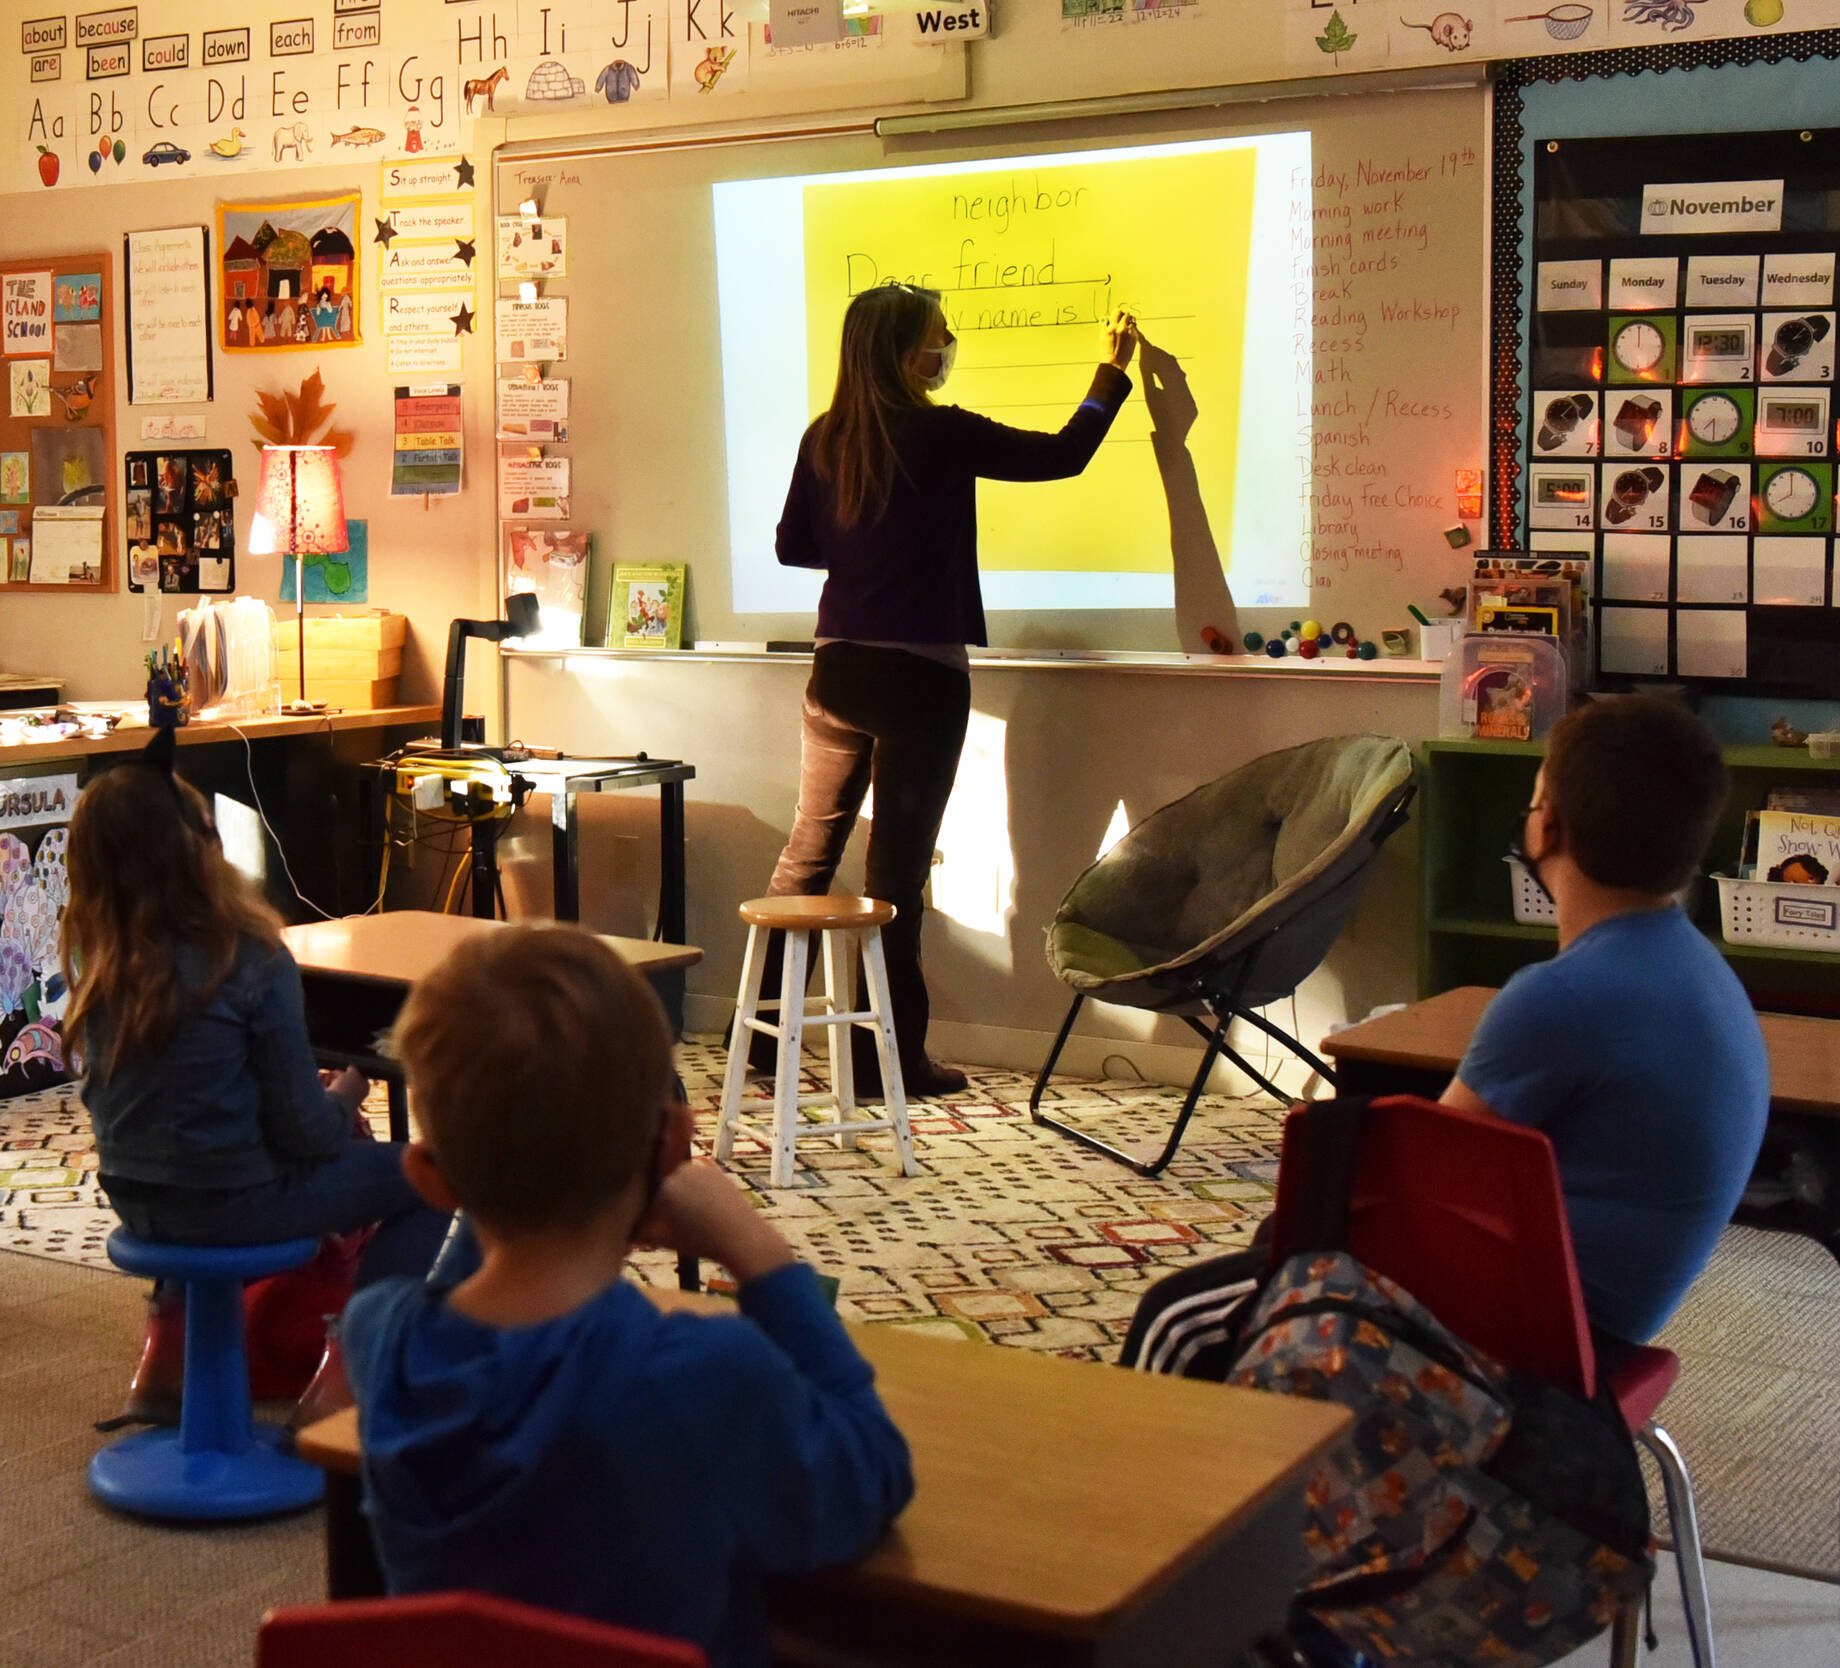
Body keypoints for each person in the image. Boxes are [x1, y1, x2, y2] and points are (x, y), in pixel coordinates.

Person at [343, 926, 912, 1664]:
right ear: (676, 1140)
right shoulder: (702, 1371)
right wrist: (762, 1256)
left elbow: (461, 1293)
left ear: (430, 1178)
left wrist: (486, 1182)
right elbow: (872, 1478)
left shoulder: (378, 1334)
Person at [765, 283, 1139, 1096]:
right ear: (907, 355)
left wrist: (864, 544)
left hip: (836, 673)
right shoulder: (939, 432)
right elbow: (1062, 456)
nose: (948, 346)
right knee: (893, 882)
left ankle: (758, 1044)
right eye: (940, 336)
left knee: (806, 857)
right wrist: (1108, 381)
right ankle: (882, 1063)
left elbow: (794, 547)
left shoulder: (825, 437)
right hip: (919, 681)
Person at [67, 729, 448, 1420]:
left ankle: (168, 1352)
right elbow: (306, 1137)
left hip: (135, 1200)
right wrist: (351, 1088)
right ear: (198, 847)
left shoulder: (100, 960)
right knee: (434, 1176)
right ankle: (350, 1367)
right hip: (235, 1207)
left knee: (193, 1158)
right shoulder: (247, 957)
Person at [1439, 695, 1770, 1348]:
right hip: (1605, 1331)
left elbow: (1416, 1182)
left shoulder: (1560, 998)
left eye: (1536, 800)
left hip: (1520, 1347)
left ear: (1549, 827)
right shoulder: (1700, 968)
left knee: (1191, 1312)